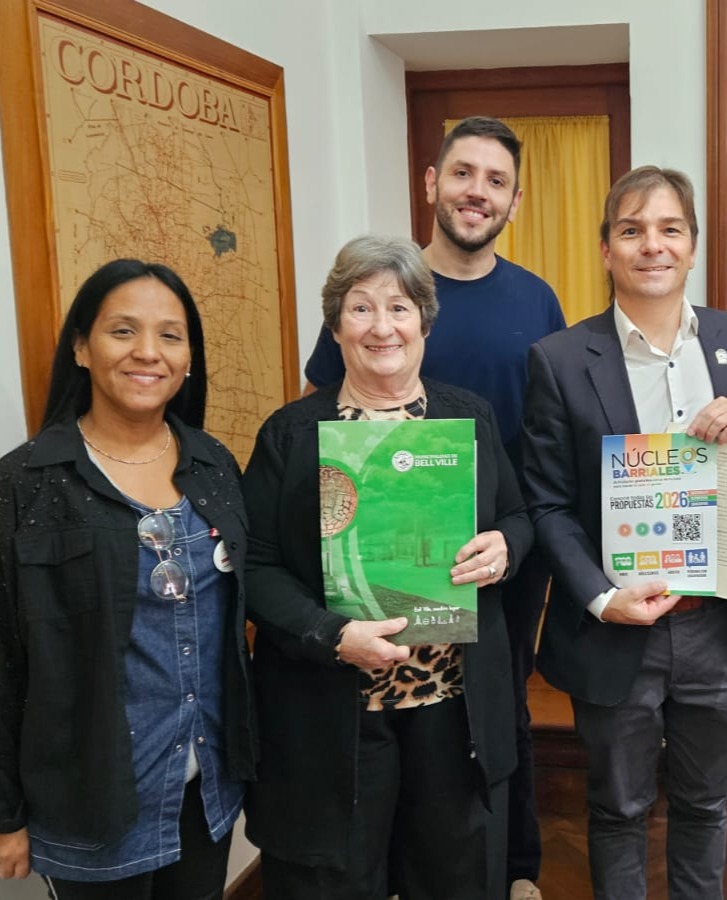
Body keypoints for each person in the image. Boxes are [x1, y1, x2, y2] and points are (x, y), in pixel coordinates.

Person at [304, 116, 563, 900]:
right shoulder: (380, 288)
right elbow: (321, 412)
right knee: (387, 711)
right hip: (378, 552)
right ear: (432, 183)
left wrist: (516, 537)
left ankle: (512, 866)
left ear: (514, 201)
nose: (476, 192)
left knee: (499, 710)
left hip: (496, 548)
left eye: (495, 181)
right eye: (462, 173)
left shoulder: (536, 300)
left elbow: (552, 429)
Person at [522, 166, 727, 900]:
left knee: (706, 805)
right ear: (606, 249)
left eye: (670, 229)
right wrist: (600, 598)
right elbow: (547, 504)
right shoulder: (560, 360)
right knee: (618, 809)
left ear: (692, 245)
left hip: (718, 623)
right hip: (616, 628)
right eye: (632, 230)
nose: (652, 245)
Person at [243, 234, 533, 900]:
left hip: (451, 707)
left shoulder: (469, 418)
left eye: (399, 308)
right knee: (340, 880)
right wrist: (331, 634)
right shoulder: (291, 434)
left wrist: (505, 547)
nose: (382, 327)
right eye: (361, 308)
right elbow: (256, 566)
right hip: (333, 713)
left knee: (452, 876)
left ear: (424, 322)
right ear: (336, 326)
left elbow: (518, 517)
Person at [0, 260, 256, 898]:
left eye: (170, 335)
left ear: (189, 358)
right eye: (122, 331)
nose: (148, 352)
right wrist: (5, 814)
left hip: (205, 786)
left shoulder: (214, 464)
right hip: (92, 801)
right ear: (81, 347)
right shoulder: (25, 483)